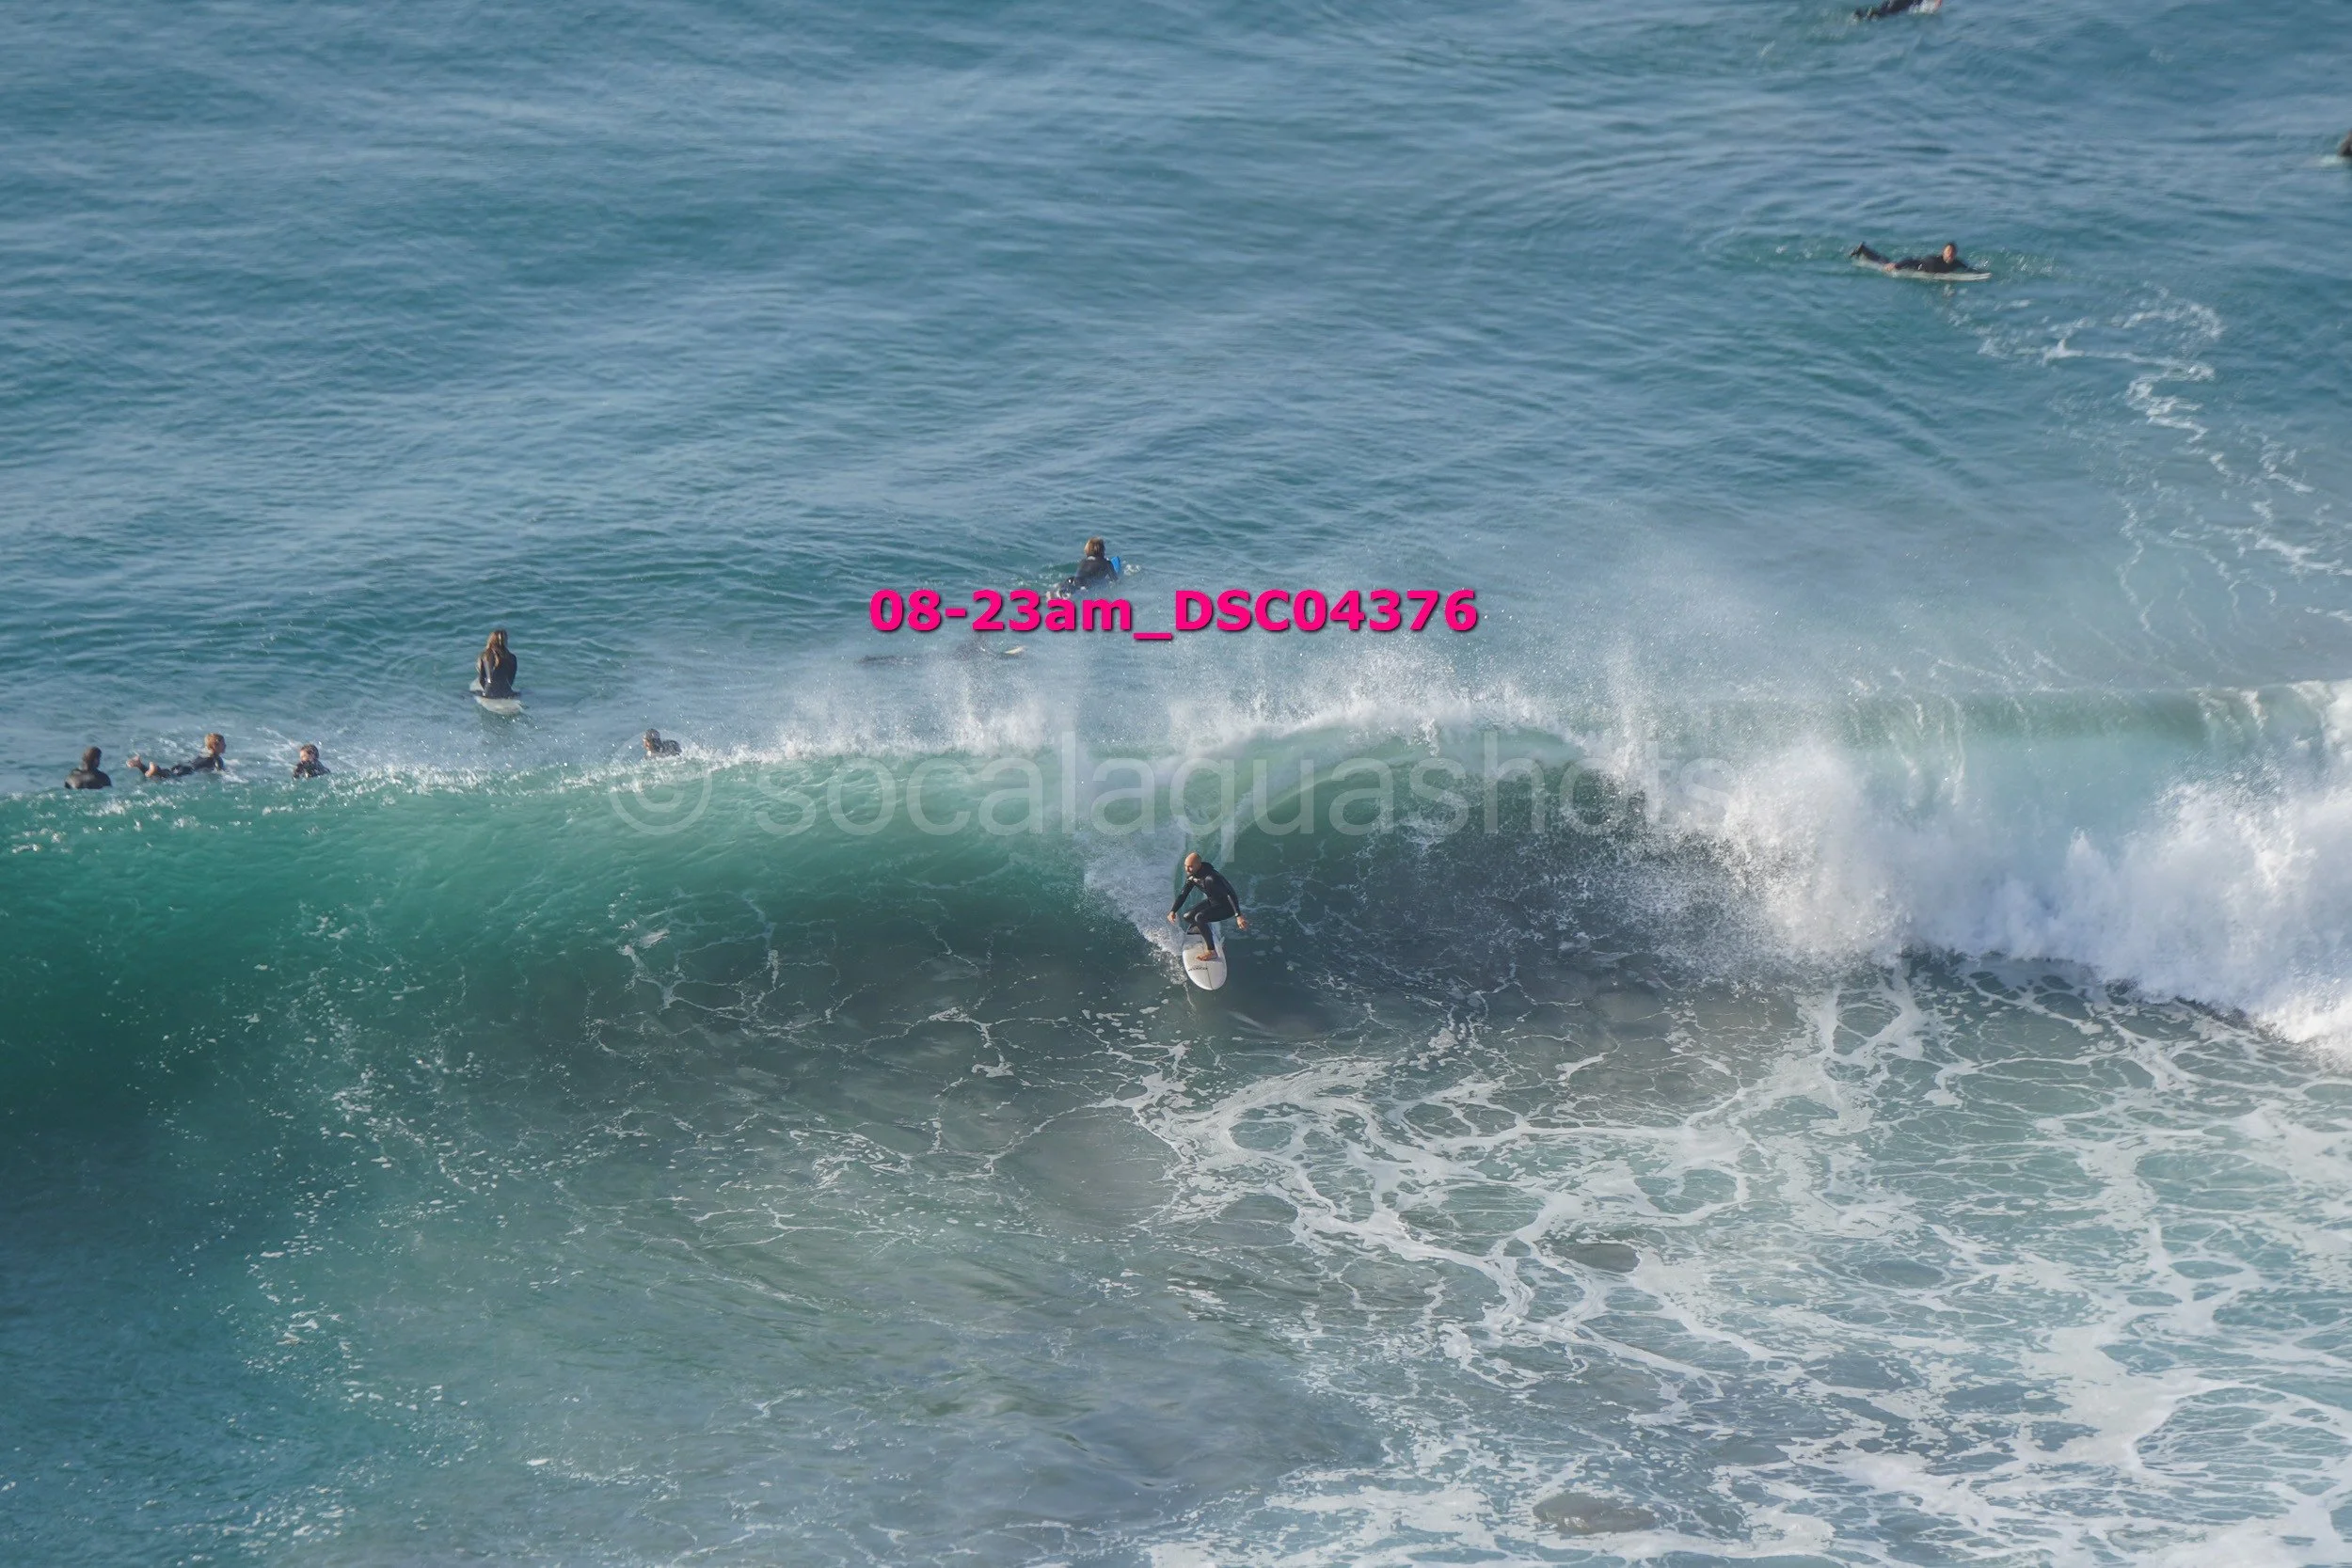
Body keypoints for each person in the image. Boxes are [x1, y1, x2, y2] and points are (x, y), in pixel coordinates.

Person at [1167, 850, 1247, 962]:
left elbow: (1230, 894)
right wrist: (1173, 911)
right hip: (1212, 902)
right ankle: (1203, 927)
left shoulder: (1211, 878)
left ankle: (1212, 952)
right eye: (1185, 866)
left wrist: (1238, 915)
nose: (1187, 869)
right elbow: (1183, 894)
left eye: (1190, 866)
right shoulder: (1193, 876)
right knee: (1188, 917)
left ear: (1199, 865)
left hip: (1226, 907)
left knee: (1199, 917)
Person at [129, 733, 226, 779]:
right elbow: (220, 772)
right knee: (166, 777)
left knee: (162, 774)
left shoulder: (204, 753)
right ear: (215, 746)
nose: (225, 746)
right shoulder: (217, 759)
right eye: (223, 744)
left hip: (183, 765)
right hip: (189, 770)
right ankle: (155, 769)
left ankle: (140, 765)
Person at [1851, 241, 1977, 275]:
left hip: (1920, 266)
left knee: (1886, 260)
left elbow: (1968, 269)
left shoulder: (1956, 263)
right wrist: (1897, 265)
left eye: (1953, 252)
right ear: (1943, 252)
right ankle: (1863, 250)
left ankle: (1864, 249)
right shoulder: (1933, 261)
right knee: (1884, 263)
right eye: (1948, 252)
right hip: (1914, 267)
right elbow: (1913, 260)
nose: (1950, 254)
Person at [475, 628, 518, 699]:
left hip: (489, 692)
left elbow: (481, 680)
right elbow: (511, 680)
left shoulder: (485, 655)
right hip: (506, 692)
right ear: (505, 641)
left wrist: (486, 691)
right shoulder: (512, 657)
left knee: (469, 693)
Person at [1855, 0, 1938, 17]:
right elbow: (1929, 9)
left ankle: (1862, 14)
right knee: (1884, 14)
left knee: (1883, 11)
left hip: (1892, 2)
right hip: (1898, 4)